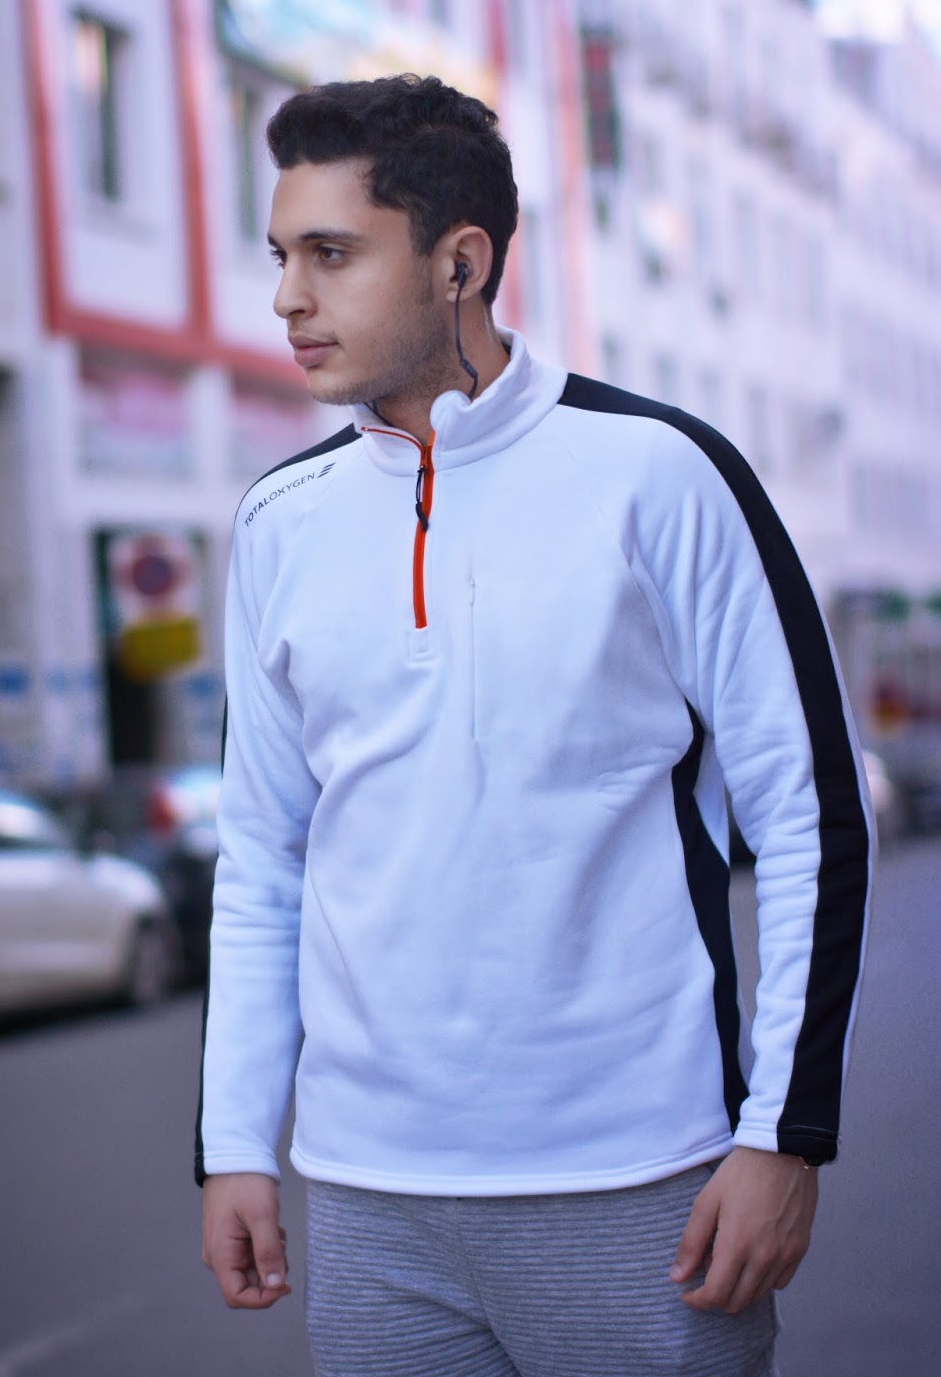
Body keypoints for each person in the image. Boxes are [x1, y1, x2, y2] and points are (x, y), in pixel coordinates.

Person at [196, 74, 874, 1376]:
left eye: (330, 254)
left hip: (640, 1184)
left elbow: (809, 817)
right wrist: (235, 1143)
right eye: (279, 256)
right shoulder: (280, 521)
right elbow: (263, 858)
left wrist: (783, 1137)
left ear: (460, 263)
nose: (286, 297)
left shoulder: (659, 474)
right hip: (369, 1200)